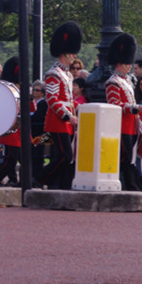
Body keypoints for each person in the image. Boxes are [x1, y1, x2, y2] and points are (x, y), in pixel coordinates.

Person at [34, 21, 82, 190]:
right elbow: (53, 100)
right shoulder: (54, 73)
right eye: (72, 53)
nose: (75, 56)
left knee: (65, 156)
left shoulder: (66, 74)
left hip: (66, 121)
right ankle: (39, 179)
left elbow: (68, 99)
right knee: (64, 156)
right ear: (66, 54)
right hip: (58, 120)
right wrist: (67, 116)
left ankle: (57, 184)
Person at [105, 33, 142, 191]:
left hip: (131, 125)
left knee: (129, 159)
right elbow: (115, 104)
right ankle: (127, 187)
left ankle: (132, 187)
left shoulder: (127, 81)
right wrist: (135, 108)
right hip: (121, 126)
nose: (130, 66)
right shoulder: (113, 82)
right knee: (124, 158)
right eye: (127, 63)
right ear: (119, 63)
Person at [0, 56, 22, 186]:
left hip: (21, 130)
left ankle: (21, 181)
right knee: (9, 162)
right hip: (12, 129)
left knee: (24, 159)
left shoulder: (18, 88)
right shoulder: (6, 89)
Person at [30, 80, 48, 179]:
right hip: (31, 132)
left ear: (42, 92)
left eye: (37, 90)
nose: (35, 92)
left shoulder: (43, 104)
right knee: (32, 155)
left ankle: (37, 177)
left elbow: (38, 116)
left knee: (38, 155)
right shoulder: (31, 103)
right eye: (34, 90)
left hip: (39, 132)